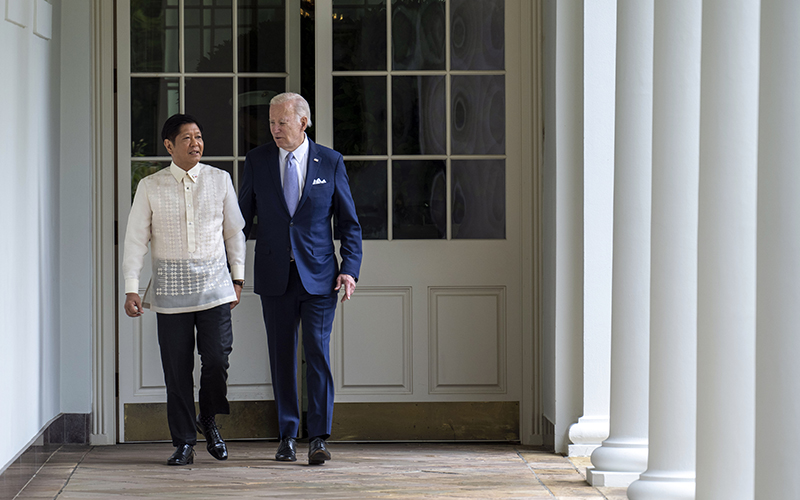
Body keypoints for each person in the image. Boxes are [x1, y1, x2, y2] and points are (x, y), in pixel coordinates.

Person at [239, 92, 362, 465]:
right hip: (275, 276)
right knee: (281, 357)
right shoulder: (258, 161)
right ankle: (288, 436)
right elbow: (241, 221)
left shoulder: (331, 160)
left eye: (282, 122)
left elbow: (349, 224)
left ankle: (319, 438)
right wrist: (227, 268)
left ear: (303, 123)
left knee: (317, 354)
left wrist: (349, 269)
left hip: (321, 277)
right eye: (272, 123)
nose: (275, 129)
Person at [122, 114, 246, 466]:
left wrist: (237, 278)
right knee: (176, 370)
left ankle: (208, 418)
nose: (196, 143)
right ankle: (185, 442)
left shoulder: (220, 180)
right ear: (169, 145)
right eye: (188, 137)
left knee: (218, 359)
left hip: (216, 289)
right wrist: (132, 288)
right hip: (170, 292)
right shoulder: (150, 186)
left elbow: (234, 233)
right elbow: (135, 241)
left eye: (199, 136)